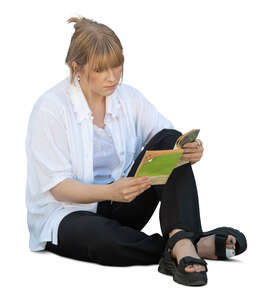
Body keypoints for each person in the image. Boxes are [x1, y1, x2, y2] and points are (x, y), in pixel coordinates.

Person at [25, 16, 247, 287]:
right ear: (77, 68)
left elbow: (167, 142)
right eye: (101, 69)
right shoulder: (50, 110)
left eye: (117, 65)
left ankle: (181, 238)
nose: (113, 76)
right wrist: (110, 191)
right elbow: (58, 188)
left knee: (170, 140)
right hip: (66, 213)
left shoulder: (129, 99)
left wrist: (189, 151)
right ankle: (188, 245)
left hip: (121, 200)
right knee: (103, 241)